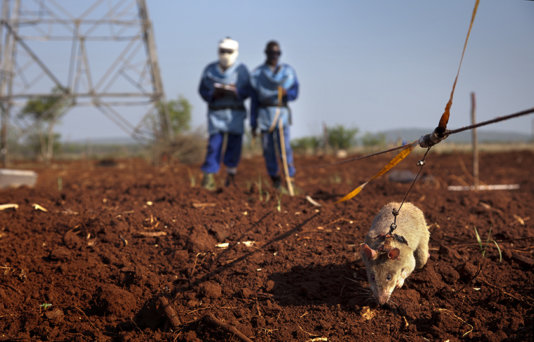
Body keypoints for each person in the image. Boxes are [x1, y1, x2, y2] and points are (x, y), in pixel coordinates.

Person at [198, 37, 251, 190]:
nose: (225, 54)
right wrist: (213, 95)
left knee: (234, 147)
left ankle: (231, 177)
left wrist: (237, 92)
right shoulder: (210, 70)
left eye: (229, 51)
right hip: (216, 115)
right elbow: (202, 90)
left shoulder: (242, 70)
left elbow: (248, 91)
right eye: (222, 51)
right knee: (214, 146)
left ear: (235, 52)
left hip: (235, 115)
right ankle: (209, 177)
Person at [250, 40, 299, 190]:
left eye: (277, 53)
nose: (274, 56)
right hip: (264, 115)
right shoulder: (258, 74)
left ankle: (289, 179)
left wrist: (286, 94)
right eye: (271, 53)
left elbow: (295, 92)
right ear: (266, 54)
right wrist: (253, 123)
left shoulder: (288, 73)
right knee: (268, 149)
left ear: (280, 54)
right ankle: (275, 181)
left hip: (281, 114)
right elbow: (254, 100)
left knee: (285, 148)